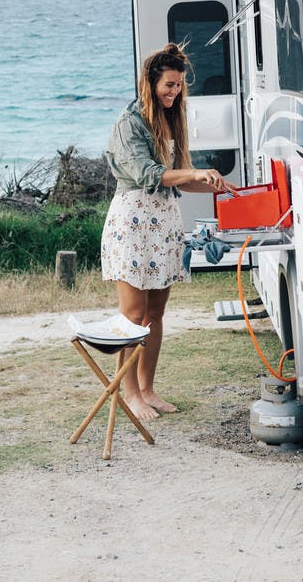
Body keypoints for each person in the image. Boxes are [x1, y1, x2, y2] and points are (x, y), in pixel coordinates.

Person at [101, 42, 234, 420]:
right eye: (169, 85)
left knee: (155, 312)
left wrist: (211, 183)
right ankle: (129, 394)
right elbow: (148, 176)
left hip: (163, 222)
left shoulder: (171, 117)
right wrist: (193, 172)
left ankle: (148, 389)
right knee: (133, 312)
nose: (175, 92)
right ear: (150, 83)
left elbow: (177, 181)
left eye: (179, 86)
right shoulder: (130, 123)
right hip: (132, 222)